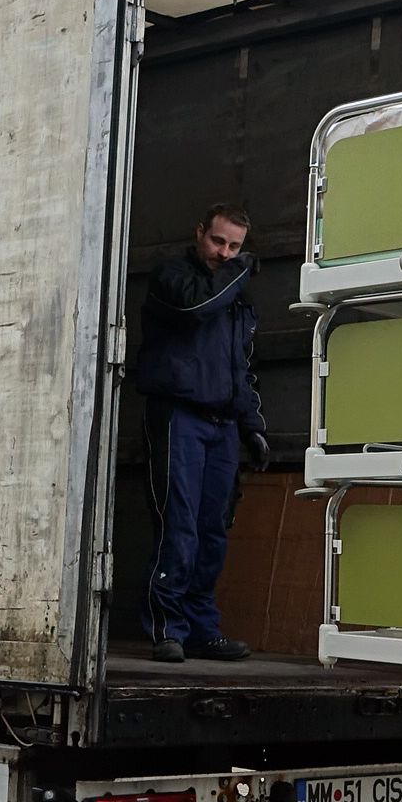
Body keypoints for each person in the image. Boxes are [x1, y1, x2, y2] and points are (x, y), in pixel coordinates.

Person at [131, 204, 270, 664]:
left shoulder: (234, 296)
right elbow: (197, 307)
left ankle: (202, 630)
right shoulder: (174, 277)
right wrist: (238, 273)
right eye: (218, 242)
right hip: (179, 415)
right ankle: (167, 628)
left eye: (235, 246)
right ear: (199, 233)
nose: (225, 253)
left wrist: (252, 426)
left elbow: (239, 367)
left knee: (213, 531)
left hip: (222, 425)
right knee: (180, 524)